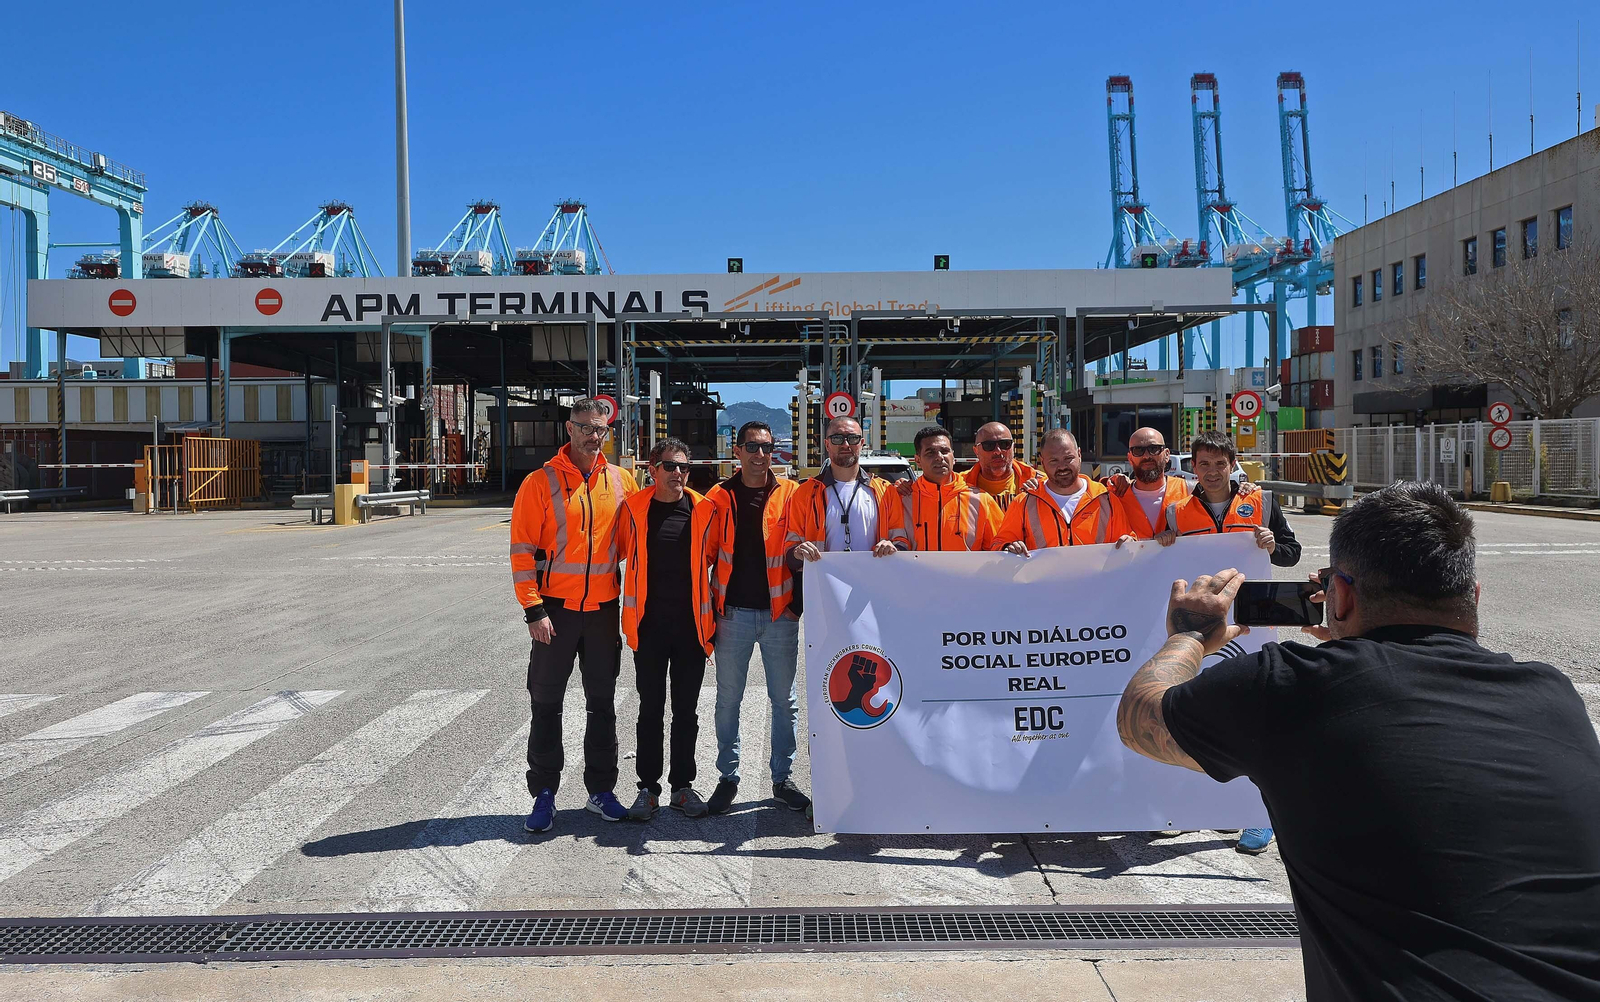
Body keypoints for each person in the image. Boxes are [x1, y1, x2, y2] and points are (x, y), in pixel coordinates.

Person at [1116, 482, 1600, 1001]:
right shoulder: (1552, 693)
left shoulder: (1295, 686)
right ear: (1473, 596)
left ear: (1341, 597)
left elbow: (1140, 716)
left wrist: (1189, 634)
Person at [1165, 428, 1301, 854]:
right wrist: (1162, 542)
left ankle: (1257, 815)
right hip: (1201, 621)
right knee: (1198, 708)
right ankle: (1193, 809)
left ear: (1232, 464)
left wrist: (1273, 544)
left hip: (1254, 616)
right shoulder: (1176, 512)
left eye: (1219, 464)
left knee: (1255, 711)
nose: (1211, 472)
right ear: (1193, 466)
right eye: (1203, 464)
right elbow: (1158, 562)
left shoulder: (1263, 502)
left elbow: (1292, 554)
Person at [510, 398, 640, 832]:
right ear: (569, 429)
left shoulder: (622, 481)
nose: (592, 435)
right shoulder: (540, 482)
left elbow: (638, 542)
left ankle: (601, 791)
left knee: (602, 705)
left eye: (599, 429)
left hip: (602, 612)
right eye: (584, 427)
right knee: (546, 704)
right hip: (555, 613)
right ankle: (544, 794)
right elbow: (522, 551)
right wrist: (533, 609)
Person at [704, 421, 810, 816]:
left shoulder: (792, 493)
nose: (760, 454)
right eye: (752, 446)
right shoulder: (718, 496)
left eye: (766, 447)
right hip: (732, 615)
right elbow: (703, 555)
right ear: (737, 451)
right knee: (728, 699)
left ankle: (782, 779)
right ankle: (728, 777)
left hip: (780, 614)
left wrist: (797, 605)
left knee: (785, 700)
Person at [613, 438, 718, 821]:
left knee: (686, 712)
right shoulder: (633, 510)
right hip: (650, 629)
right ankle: (648, 789)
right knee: (650, 711)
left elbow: (716, 559)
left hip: (691, 630)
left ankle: (682, 787)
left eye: (684, 467)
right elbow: (616, 552)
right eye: (670, 466)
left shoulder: (704, 509)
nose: (678, 473)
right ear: (652, 470)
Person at [786, 416, 907, 570]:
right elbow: (791, 550)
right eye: (837, 438)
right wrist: (798, 552)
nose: (845, 444)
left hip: (873, 580)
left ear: (862, 443)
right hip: (823, 581)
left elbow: (901, 541)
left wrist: (893, 547)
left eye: (852, 438)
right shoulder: (805, 493)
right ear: (827, 444)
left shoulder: (886, 491)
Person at [995, 429, 1128, 555]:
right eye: (1054, 461)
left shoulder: (1107, 500)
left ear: (1079, 454)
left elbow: (1126, 543)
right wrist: (1007, 547)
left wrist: (1129, 543)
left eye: (1068, 458)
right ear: (1042, 461)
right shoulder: (1024, 503)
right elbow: (999, 544)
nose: (1062, 466)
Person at [898, 426, 1003, 551]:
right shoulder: (902, 500)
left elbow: (1000, 545)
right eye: (930, 453)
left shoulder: (981, 500)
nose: (939, 457)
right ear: (917, 460)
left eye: (944, 451)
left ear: (953, 457)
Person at [960, 421, 1038, 507]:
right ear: (976, 451)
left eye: (1004, 444)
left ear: (1013, 447)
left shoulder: (1037, 482)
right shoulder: (960, 486)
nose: (997, 451)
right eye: (989, 445)